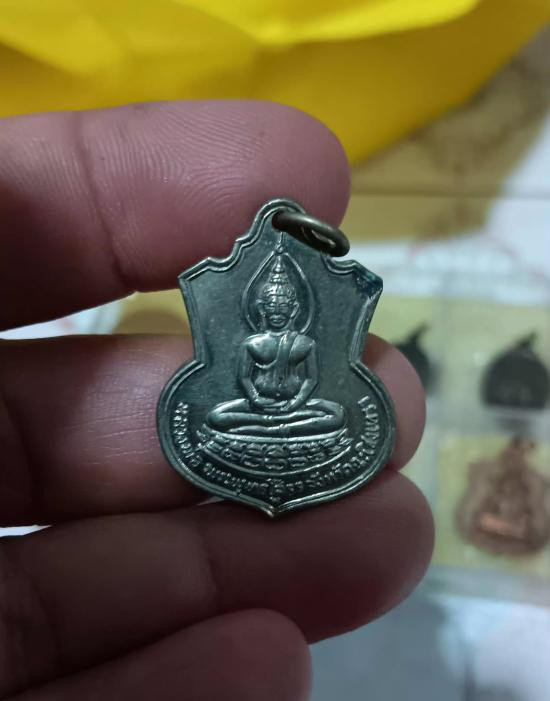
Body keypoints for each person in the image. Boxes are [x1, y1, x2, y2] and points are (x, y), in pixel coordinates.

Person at [0, 100, 432, 700]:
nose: (277, 314)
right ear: (259, 308)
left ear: (296, 307)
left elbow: (310, 387)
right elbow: (247, 386)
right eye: (270, 308)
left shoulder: (302, 341)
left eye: (285, 308)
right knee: (224, 415)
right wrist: (263, 400)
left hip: (298, 414)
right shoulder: (253, 341)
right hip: (253, 414)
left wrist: (289, 402)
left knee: (329, 414)